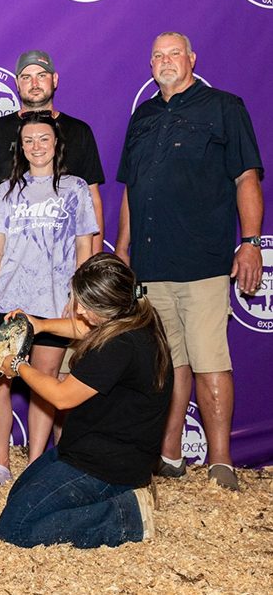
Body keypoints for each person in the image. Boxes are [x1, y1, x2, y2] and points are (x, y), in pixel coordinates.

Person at [115, 32, 264, 492]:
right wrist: (123, 249)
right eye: (157, 55)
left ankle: (221, 461)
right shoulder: (142, 116)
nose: (164, 61)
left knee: (209, 359)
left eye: (173, 54)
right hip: (151, 264)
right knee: (168, 364)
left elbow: (246, 176)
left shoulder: (224, 107)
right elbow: (131, 190)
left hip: (202, 260)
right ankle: (170, 454)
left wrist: (251, 241)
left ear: (192, 59)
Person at [0, 50, 105, 477]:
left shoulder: (76, 189)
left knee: (46, 382)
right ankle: (0, 465)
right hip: (11, 300)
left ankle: (34, 465)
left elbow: (87, 246)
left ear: (55, 143)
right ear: (21, 147)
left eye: (43, 139)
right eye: (29, 141)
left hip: (54, 302)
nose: (36, 146)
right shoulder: (7, 192)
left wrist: (78, 299)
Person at [0, 253, 173, 548]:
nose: (76, 310)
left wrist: (17, 365)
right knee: (20, 497)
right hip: (88, 450)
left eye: (84, 305)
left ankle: (127, 515)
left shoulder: (120, 346)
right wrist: (39, 325)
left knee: (16, 527)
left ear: (106, 307)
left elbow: (61, 397)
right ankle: (124, 494)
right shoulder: (133, 317)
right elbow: (84, 327)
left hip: (106, 465)